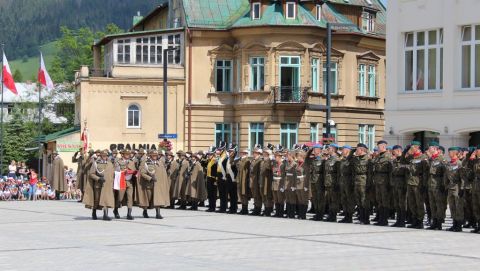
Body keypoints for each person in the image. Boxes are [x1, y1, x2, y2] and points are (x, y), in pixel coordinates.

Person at [83, 150, 115, 220]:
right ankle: (94, 212)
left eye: (106, 155)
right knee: (96, 200)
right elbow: (91, 174)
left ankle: (105, 215)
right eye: (103, 155)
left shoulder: (110, 164)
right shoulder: (96, 163)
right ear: (100, 156)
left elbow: (112, 174)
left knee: (106, 200)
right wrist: (98, 178)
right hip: (98, 185)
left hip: (107, 186)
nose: (104, 157)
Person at [138, 150, 170, 219]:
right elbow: (142, 173)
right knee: (148, 199)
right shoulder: (146, 163)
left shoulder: (160, 163)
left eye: (156, 155)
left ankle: (158, 214)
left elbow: (163, 173)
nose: (155, 156)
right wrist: (150, 178)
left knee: (158, 199)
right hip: (149, 185)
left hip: (158, 186)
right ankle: (145, 211)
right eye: (153, 155)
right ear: (150, 155)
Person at [405, 141, 429, 229]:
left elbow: (425, 172)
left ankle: (420, 221)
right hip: (410, 182)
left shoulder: (423, 157)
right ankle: (414, 219)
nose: (412, 149)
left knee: (419, 203)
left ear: (417, 147)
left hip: (418, 183)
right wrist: (406, 151)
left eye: (413, 147)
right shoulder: (411, 157)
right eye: (411, 147)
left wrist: (424, 184)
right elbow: (403, 160)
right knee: (411, 203)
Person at [426, 142, 447, 230]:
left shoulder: (442, 159)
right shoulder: (431, 159)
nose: (428, 150)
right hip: (431, 184)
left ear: (435, 148)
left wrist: (443, 185)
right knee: (432, 204)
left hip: (438, 185)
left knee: (439, 204)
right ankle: (434, 222)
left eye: (430, 148)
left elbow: (445, 174)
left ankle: (439, 223)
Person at [371, 140, 392, 226]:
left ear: (384, 147)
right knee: (379, 201)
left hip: (385, 182)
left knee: (385, 201)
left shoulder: (388, 157)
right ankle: (380, 218)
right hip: (377, 181)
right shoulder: (378, 157)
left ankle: (384, 220)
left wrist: (390, 183)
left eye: (379, 146)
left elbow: (391, 171)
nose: (377, 148)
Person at [113, 149, 137, 220]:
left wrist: (135, 173)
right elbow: (116, 171)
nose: (128, 155)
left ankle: (129, 214)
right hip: (122, 181)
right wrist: (124, 171)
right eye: (126, 154)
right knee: (120, 198)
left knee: (130, 198)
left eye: (128, 154)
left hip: (129, 181)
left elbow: (134, 169)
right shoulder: (118, 161)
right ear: (122, 154)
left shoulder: (131, 162)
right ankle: (116, 210)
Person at [444, 147, 464, 232]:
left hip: (457, 187)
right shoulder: (448, 164)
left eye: (450, 152)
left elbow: (463, 177)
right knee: (452, 206)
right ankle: (454, 224)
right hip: (450, 187)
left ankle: (459, 225)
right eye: (449, 152)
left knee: (458, 206)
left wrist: (462, 188)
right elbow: (446, 176)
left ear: (455, 153)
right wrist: (445, 186)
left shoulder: (459, 163)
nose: (449, 153)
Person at [352, 143, 371, 224]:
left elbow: (370, 173)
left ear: (362, 150)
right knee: (358, 201)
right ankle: (361, 218)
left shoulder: (368, 159)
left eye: (357, 149)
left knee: (364, 201)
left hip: (364, 181)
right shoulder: (356, 158)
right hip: (357, 181)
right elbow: (349, 159)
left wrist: (369, 184)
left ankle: (366, 219)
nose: (356, 151)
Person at [306, 144, 324, 221]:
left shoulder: (323, 159)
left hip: (319, 181)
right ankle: (317, 213)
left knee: (320, 199)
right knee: (315, 198)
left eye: (316, 149)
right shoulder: (312, 159)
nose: (315, 151)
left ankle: (320, 214)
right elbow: (306, 159)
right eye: (314, 149)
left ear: (320, 150)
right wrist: (310, 150)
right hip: (313, 180)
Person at [323, 144, 340, 222]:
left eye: (329, 148)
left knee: (334, 200)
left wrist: (337, 183)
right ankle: (330, 214)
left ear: (333, 149)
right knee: (329, 199)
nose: (327, 150)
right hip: (328, 182)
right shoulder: (329, 159)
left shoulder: (337, 159)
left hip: (333, 182)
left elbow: (338, 173)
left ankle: (333, 216)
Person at [338, 145, 354, 223]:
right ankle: (346, 215)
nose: (342, 151)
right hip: (342, 181)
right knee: (344, 199)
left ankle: (349, 217)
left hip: (349, 181)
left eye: (343, 150)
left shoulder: (351, 160)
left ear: (348, 150)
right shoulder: (342, 160)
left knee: (349, 199)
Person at [260, 145, 274, 216]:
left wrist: (271, 157)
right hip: (262, 181)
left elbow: (270, 168)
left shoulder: (270, 161)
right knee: (264, 195)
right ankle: (265, 208)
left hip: (268, 181)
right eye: (263, 152)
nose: (264, 154)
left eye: (265, 153)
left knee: (268, 196)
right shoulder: (263, 161)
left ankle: (268, 210)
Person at [272, 146, 286, 217]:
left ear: (280, 157)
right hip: (274, 183)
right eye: (275, 156)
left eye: (276, 156)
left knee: (280, 199)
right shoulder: (274, 164)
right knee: (276, 199)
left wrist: (283, 185)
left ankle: (281, 212)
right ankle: (277, 212)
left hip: (280, 183)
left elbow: (284, 176)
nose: (275, 157)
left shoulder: (283, 165)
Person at [249, 146, 263, 216]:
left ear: (258, 153)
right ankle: (255, 208)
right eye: (253, 152)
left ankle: (258, 209)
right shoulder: (253, 160)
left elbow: (259, 172)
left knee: (257, 196)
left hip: (256, 181)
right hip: (252, 181)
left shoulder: (260, 161)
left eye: (255, 153)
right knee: (254, 195)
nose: (253, 154)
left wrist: (258, 181)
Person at [236, 149, 251, 215]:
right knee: (241, 195)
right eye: (241, 153)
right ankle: (243, 208)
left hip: (244, 180)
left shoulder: (247, 161)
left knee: (244, 194)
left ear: (245, 153)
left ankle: (245, 209)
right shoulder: (241, 160)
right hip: (240, 179)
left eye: (242, 153)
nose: (241, 154)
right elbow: (237, 167)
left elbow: (248, 171)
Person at [225, 145, 238, 214]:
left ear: (234, 151)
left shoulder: (236, 159)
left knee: (233, 194)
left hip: (233, 178)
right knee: (230, 194)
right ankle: (231, 207)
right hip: (228, 177)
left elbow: (236, 170)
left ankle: (234, 208)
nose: (229, 152)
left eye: (231, 151)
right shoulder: (229, 158)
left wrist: (235, 178)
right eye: (229, 151)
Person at [205, 147, 218, 212]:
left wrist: (216, 180)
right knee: (209, 194)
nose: (208, 155)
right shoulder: (209, 161)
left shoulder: (215, 161)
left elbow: (216, 171)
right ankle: (210, 206)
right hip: (209, 178)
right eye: (208, 154)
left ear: (213, 154)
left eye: (210, 154)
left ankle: (213, 207)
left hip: (213, 179)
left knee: (213, 194)